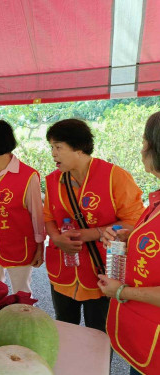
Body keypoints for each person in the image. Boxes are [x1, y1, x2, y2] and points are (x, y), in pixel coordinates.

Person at [44, 118, 144, 332]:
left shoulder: (115, 177)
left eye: (58, 147)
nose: (53, 153)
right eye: (51, 147)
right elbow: (48, 217)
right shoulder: (53, 180)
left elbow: (134, 221)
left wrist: (88, 234)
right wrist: (55, 238)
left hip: (101, 272)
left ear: (79, 149)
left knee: (98, 334)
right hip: (64, 272)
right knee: (64, 328)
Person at [98, 112, 160, 375]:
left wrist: (121, 292)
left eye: (144, 141)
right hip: (146, 333)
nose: (142, 147)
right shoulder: (157, 199)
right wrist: (132, 234)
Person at [0, 120, 45, 294]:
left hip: (17, 245)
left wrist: (40, 246)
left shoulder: (28, 176)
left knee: (21, 293)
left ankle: (24, 321)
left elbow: (37, 216)